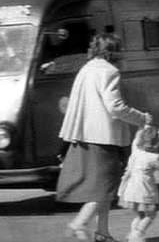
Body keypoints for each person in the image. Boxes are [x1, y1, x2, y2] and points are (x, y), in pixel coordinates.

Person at [57, 32, 153, 242]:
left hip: (83, 134)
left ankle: (103, 232)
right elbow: (115, 107)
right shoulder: (110, 72)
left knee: (102, 187)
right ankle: (80, 223)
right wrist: (141, 117)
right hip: (103, 137)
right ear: (113, 51)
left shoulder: (86, 68)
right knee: (105, 187)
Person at [117, 125, 159, 242]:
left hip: (130, 191)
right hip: (144, 192)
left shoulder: (135, 154)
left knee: (140, 215)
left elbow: (127, 171)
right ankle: (137, 234)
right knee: (150, 215)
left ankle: (132, 234)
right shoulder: (154, 157)